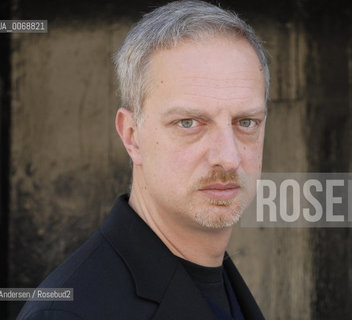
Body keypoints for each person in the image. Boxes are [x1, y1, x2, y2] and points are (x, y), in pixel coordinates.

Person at [17, 1, 269, 319]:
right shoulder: (65, 314)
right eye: (189, 122)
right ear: (132, 136)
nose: (229, 158)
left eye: (245, 122)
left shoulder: (222, 283)